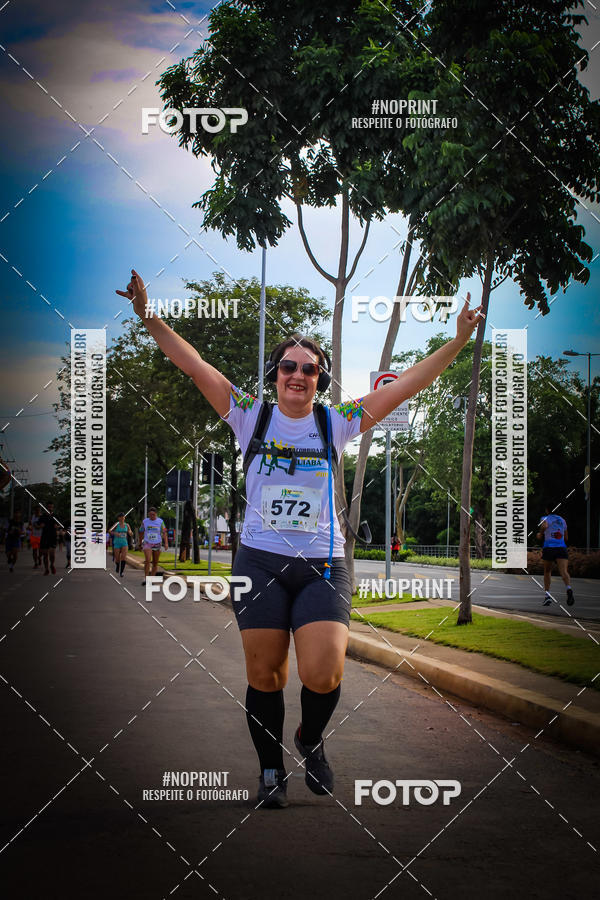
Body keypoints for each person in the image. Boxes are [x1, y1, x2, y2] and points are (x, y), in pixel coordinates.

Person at [116, 268, 482, 808]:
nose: (298, 374)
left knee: (323, 671)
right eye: (289, 366)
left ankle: (310, 738)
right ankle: (270, 770)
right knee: (265, 674)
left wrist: (457, 341)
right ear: (275, 373)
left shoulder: (338, 421)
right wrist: (148, 316)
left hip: (322, 565)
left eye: (309, 369)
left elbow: (408, 384)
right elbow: (193, 364)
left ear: (320, 379)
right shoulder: (250, 416)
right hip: (259, 563)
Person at [537, 504, 574, 606]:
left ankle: (547, 596)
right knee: (564, 572)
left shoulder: (545, 518)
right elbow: (566, 538)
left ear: (547, 510)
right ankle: (568, 588)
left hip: (549, 547)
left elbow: (544, 526)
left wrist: (540, 534)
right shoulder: (562, 520)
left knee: (547, 571)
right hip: (561, 548)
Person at [139, 507, 168, 584]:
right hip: (147, 543)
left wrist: (166, 543)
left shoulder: (160, 521)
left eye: (153, 514)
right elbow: (141, 531)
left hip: (157, 543)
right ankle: (145, 578)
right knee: (148, 560)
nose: (152, 516)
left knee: (155, 563)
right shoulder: (145, 521)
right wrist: (140, 542)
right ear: (148, 514)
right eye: (150, 514)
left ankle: (151, 579)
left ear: (156, 514)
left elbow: (164, 533)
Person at [38, 502, 58, 575]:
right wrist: (40, 526)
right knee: (45, 554)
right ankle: (46, 569)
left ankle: (52, 565)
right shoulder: (42, 517)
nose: (50, 508)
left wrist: (57, 526)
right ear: (46, 508)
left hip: (53, 537)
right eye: (48, 507)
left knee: (52, 554)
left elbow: (60, 525)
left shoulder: (55, 516)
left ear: (53, 508)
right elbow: (38, 525)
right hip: (44, 537)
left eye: (51, 507)